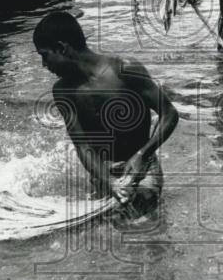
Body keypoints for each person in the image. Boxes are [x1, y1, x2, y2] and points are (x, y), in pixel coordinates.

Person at [33, 11, 178, 208]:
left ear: (61, 48)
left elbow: (169, 114)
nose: (43, 65)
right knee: (103, 229)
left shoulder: (124, 69)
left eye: (45, 56)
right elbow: (83, 146)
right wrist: (109, 181)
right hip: (102, 172)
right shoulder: (63, 91)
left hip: (142, 166)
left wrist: (142, 155)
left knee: (142, 222)